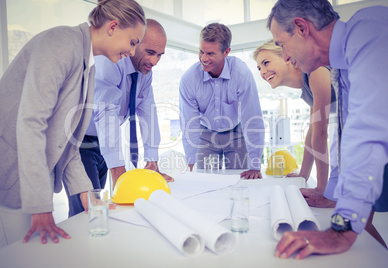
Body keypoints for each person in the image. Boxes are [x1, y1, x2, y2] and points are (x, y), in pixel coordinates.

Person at [0, 0, 146, 248]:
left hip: (31, 177)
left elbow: (67, 139)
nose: (132, 53)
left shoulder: (86, 62)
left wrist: (86, 194)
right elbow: (30, 123)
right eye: (132, 42)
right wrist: (40, 204)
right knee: (18, 255)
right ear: (112, 26)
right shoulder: (61, 43)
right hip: (11, 173)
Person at [268, 0, 388, 260]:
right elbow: (347, 132)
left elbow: (367, 131)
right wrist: (332, 192)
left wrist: (342, 230)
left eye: (281, 44)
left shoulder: (369, 31)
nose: (285, 56)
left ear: (301, 27)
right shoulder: (344, 65)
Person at [65, 19, 173, 217]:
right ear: (135, 42)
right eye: (150, 52)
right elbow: (106, 114)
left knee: (102, 208)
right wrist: (118, 171)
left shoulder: (144, 70)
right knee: (87, 209)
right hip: (79, 142)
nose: (155, 61)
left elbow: (148, 111)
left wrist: (152, 160)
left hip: (104, 141)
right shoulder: (110, 62)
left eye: (160, 55)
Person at [179, 23, 265, 180]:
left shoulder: (241, 73)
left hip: (236, 133)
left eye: (211, 53)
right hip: (206, 136)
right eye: (201, 51)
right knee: (206, 182)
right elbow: (189, 122)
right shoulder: (189, 79)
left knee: (242, 181)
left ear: (226, 52)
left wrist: (255, 165)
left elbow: (252, 118)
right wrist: (190, 160)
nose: (204, 58)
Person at [253, 40, 336, 198]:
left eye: (266, 63)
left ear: (287, 57)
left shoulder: (316, 72)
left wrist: (321, 188)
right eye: (259, 68)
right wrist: (303, 175)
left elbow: (320, 134)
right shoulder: (307, 85)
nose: (262, 72)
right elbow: (312, 134)